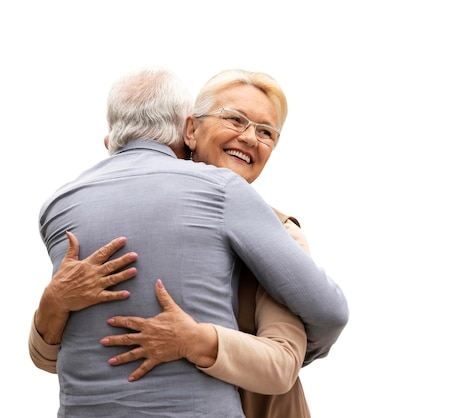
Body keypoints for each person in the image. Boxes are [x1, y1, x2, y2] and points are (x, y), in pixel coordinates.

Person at [33, 66, 348, 417]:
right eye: (235, 119)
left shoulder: (282, 233)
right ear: (190, 128)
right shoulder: (133, 213)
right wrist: (54, 302)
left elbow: (286, 360)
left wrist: (198, 342)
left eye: (266, 132)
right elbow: (68, 356)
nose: (249, 137)